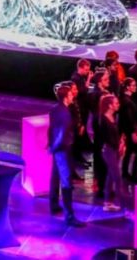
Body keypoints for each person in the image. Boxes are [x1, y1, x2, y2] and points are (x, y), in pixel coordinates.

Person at [48, 81, 85, 227]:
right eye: (70, 95)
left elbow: (51, 130)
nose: (72, 96)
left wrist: (51, 146)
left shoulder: (54, 109)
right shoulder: (65, 114)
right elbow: (61, 134)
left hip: (57, 148)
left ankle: (54, 205)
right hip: (62, 149)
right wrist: (55, 147)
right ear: (65, 97)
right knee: (66, 182)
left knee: (55, 177)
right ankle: (69, 216)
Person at [98, 94, 124, 211]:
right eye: (116, 103)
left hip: (115, 149)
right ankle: (122, 206)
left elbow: (115, 135)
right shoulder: (103, 120)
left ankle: (107, 203)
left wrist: (121, 143)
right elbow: (107, 139)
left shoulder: (114, 117)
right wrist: (118, 145)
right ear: (109, 105)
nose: (118, 105)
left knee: (110, 176)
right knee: (117, 178)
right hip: (109, 150)